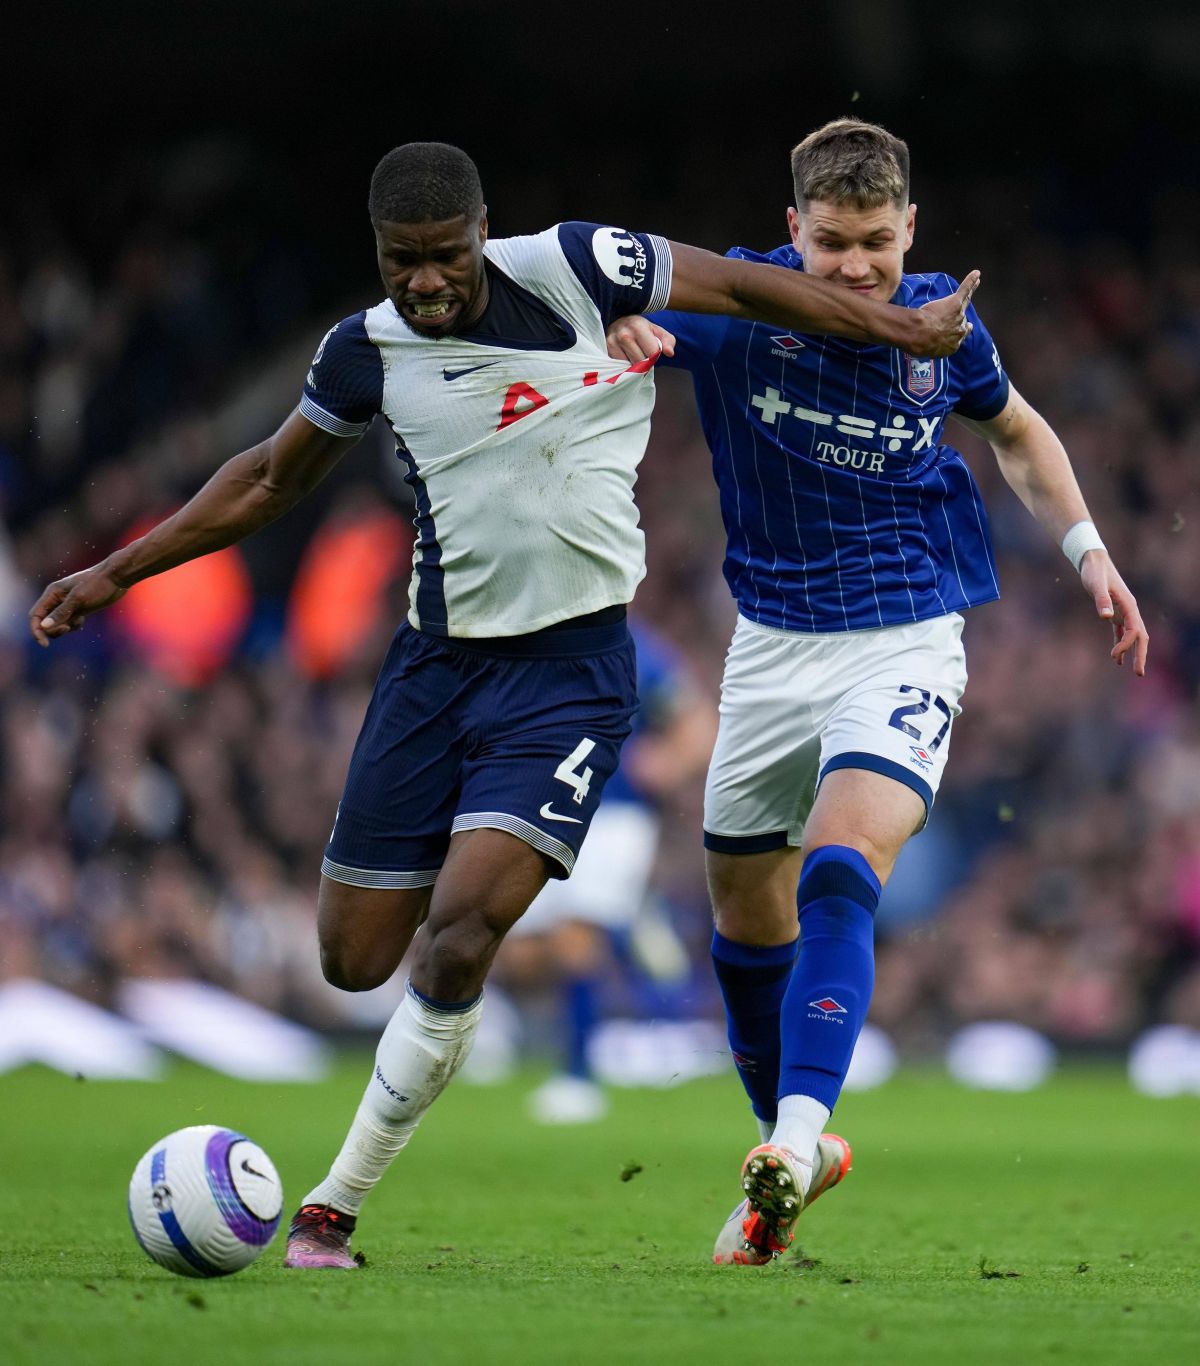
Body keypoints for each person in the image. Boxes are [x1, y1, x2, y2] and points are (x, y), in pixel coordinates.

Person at [29, 140, 979, 1271]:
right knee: (352, 956)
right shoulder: (365, 352)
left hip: (571, 677)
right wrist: (118, 568)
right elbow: (268, 477)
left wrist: (899, 328)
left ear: (482, 232)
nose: (422, 283)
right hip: (433, 673)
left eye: (441, 257)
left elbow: (742, 286)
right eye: (399, 262)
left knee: (460, 936)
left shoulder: (582, 265)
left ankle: (333, 1207)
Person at [605, 118, 1149, 1265]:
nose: (857, 269)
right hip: (768, 649)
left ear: (913, 228)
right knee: (743, 932)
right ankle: (785, 1163)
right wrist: (624, 324)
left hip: (903, 637)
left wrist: (1090, 550)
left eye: (878, 246)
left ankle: (797, 1137)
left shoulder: (944, 325)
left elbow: (1016, 431)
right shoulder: (737, 307)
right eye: (834, 243)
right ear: (793, 228)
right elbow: (613, 301)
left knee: (844, 867)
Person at [498, 614, 716, 1124]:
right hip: (539, 808)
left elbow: (697, 722)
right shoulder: (527, 638)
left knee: (575, 938)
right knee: (524, 956)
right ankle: (635, 927)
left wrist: (665, 761)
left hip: (612, 815)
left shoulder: (635, 645)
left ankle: (577, 1077)